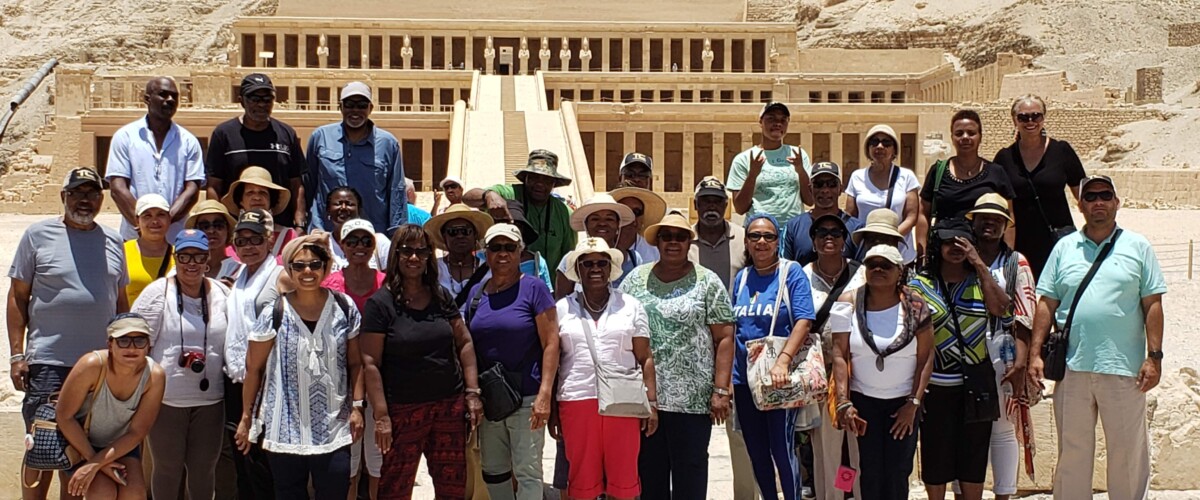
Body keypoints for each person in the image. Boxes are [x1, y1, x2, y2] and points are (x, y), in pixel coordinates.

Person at [1029, 175, 1165, 500]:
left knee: (1128, 455)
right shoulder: (1064, 248)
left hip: (1123, 367)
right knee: (1072, 456)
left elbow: (1152, 304)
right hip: (1072, 367)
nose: (1098, 202)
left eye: (1105, 195)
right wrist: (1035, 354)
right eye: (1090, 197)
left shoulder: (1138, 247)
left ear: (1117, 203)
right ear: (1081, 205)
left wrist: (1154, 357)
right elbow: (1046, 303)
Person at [9, 167, 130, 500]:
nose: (85, 200)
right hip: (49, 364)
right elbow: (17, 298)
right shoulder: (36, 235)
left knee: (77, 454)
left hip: (99, 368)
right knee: (42, 448)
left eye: (92, 193)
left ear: (101, 199)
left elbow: (120, 302)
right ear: (63, 196)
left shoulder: (113, 241)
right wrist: (17, 354)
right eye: (77, 193)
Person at [236, 234, 364, 500]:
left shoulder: (344, 307)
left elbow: (355, 363)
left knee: (336, 491)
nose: (308, 271)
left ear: (326, 268)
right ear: (290, 269)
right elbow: (254, 369)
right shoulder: (274, 312)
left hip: (334, 426)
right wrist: (246, 418)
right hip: (284, 427)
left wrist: (357, 406)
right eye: (299, 265)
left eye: (315, 264)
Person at [361, 224, 484, 499]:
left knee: (452, 488)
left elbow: (464, 343)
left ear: (429, 256)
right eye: (407, 251)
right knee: (395, 488)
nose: (414, 257)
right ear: (396, 254)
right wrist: (382, 416)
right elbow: (370, 362)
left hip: (448, 406)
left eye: (421, 251)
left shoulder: (440, 295)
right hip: (402, 410)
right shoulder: (380, 304)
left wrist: (472, 392)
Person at [619, 212, 735, 499]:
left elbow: (724, 337)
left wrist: (721, 390)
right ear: (657, 241)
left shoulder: (708, 281)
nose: (673, 242)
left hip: (693, 400)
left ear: (689, 242)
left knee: (690, 473)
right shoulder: (635, 279)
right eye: (667, 236)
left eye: (680, 237)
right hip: (646, 398)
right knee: (650, 474)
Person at [909, 217, 1011, 500]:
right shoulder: (920, 285)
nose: (955, 247)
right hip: (936, 385)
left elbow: (1002, 309)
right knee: (935, 458)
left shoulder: (981, 280)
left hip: (976, 384)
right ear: (937, 244)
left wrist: (979, 264)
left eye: (962, 242)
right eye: (948, 241)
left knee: (973, 460)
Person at [553, 237, 658, 500]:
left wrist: (652, 403)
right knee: (582, 481)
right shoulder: (562, 309)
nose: (595, 269)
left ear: (610, 268)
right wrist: (552, 409)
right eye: (587, 264)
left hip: (624, 402)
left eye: (601, 263)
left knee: (623, 480)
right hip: (576, 400)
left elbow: (645, 357)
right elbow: (554, 361)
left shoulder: (631, 306)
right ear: (577, 270)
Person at [829, 245, 933, 500]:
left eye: (885, 265)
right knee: (870, 472)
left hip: (903, 403)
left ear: (900, 272)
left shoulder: (917, 306)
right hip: (863, 402)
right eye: (872, 264)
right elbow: (839, 353)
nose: (878, 269)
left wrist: (913, 403)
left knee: (897, 472)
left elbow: (926, 357)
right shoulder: (847, 302)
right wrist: (843, 401)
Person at [951, 193, 1038, 500]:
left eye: (997, 219)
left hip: (1003, 354)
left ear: (1005, 225)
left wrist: (1020, 365)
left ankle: (1004, 494)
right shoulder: (958, 259)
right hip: (964, 353)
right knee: (964, 429)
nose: (989, 223)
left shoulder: (1016, 263)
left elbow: (1024, 316)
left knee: (1002, 430)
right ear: (973, 221)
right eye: (983, 218)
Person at [464, 223, 560, 500]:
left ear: (520, 252)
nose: (503, 253)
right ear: (486, 253)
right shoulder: (477, 293)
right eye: (496, 248)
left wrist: (545, 394)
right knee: (493, 470)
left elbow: (551, 343)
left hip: (527, 396)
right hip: (491, 398)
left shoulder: (534, 289)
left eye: (509, 247)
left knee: (527, 471)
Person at [132, 230, 228, 499]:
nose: (191, 263)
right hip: (166, 400)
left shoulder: (221, 292)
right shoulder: (157, 293)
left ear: (207, 259)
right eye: (185, 256)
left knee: (204, 471)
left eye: (199, 256)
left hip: (211, 400)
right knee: (167, 470)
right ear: (176, 258)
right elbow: (137, 343)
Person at [730, 213, 815, 500]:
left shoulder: (791, 272)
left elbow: (804, 320)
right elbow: (735, 327)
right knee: (756, 450)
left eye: (769, 236)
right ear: (746, 241)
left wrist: (783, 361)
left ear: (778, 241)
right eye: (755, 236)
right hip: (745, 379)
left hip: (778, 376)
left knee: (781, 447)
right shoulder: (742, 278)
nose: (762, 241)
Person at [685, 176, 757, 500]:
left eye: (717, 200)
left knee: (740, 433)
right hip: (694, 348)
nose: (711, 207)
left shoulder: (744, 238)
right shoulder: (683, 239)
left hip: (737, 346)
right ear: (696, 205)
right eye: (705, 201)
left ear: (726, 205)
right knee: (691, 435)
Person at [55, 313, 166, 499]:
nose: (132, 348)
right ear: (110, 344)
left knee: (134, 493)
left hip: (120, 445)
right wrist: (94, 462)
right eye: (123, 341)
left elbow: (137, 432)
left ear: (148, 345)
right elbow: (64, 416)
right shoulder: (92, 365)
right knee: (102, 492)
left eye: (139, 341)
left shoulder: (154, 376)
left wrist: (98, 463)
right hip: (79, 443)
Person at [218, 208, 284, 500]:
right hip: (236, 379)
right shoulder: (238, 274)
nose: (248, 246)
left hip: (267, 382)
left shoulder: (281, 275)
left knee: (262, 461)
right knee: (242, 459)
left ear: (269, 240)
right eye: (241, 241)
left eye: (255, 239)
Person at [804, 214, 866, 500]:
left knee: (855, 445)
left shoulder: (861, 273)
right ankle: (832, 495)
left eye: (836, 233)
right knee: (828, 447)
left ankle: (855, 493)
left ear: (844, 240)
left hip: (858, 372)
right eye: (822, 233)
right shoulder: (802, 275)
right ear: (813, 241)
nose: (829, 237)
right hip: (821, 373)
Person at [993, 95, 1088, 278]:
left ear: (1043, 118)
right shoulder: (1005, 158)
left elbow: (1084, 198)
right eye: (1023, 117)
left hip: (1060, 242)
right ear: (1014, 120)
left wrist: (1095, 237)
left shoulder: (1062, 151)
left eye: (1036, 116)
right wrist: (1006, 254)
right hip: (1021, 245)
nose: (1030, 121)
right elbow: (1004, 210)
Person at [106, 76, 204, 241]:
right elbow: (118, 188)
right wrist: (142, 223)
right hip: (134, 237)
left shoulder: (188, 141)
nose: (170, 99)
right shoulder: (125, 137)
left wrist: (164, 222)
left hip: (175, 239)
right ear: (147, 99)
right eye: (163, 94)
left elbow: (192, 190)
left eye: (174, 96)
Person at [206, 73, 308, 229]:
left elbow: (296, 184)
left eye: (267, 99)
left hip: (280, 226)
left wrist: (300, 224)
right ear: (241, 101)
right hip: (237, 227)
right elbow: (214, 185)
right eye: (254, 99)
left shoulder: (286, 134)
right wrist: (218, 223)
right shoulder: (224, 134)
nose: (261, 105)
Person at [306, 82, 406, 237]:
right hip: (326, 233)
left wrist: (396, 234)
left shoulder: (388, 143)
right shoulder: (321, 137)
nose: (355, 110)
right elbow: (309, 185)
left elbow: (396, 191)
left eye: (361, 105)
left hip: (370, 236)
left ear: (370, 108)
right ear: (341, 107)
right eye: (350, 105)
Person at [464, 149, 576, 272]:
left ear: (554, 183)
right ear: (525, 177)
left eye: (547, 179)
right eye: (534, 177)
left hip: (546, 281)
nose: (540, 184)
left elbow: (568, 258)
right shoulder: (509, 194)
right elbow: (467, 198)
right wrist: (488, 195)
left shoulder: (565, 213)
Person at [920, 109, 1016, 250]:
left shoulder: (996, 173)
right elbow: (923, 213)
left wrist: (1008, 255)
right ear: (952, 137)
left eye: (971, 133)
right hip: (946, 253)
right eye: (959, 133)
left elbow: (1009, 217)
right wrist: (922, 252)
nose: (965, 137)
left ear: (980, 137)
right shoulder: (938, 171)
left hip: (985, 253)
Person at [845, 124, 920, 264]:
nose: (880, 146)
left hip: (899, 253)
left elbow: (911, 217)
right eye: (874, 142)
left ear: (894, 149)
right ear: (868, 148)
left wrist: (887, 238)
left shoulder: (906, 176)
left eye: (886, 143)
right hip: (866, 251)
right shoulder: (857, 176)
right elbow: (850, 216)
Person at [727, 102, 814, 223]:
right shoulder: (744, 159)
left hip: (793, 229)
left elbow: (810, 201)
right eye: (771, 119)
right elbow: (740, 208)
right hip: (760, 229)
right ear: (760, 122)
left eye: (783, 120)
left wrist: (800, 171)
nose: (778, 124)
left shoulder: (798, 155)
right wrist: (752, 175)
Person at [554, 193, 636, 297]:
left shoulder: (633, 258)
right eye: (595, 219)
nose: (602, 223)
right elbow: (562, 301)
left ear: (618, 224)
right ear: (586, 224)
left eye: (609, 219)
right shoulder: (570, 260)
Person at [783, 162, 864, 265]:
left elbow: (862, 269)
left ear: (840, 189)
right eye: (818, 184)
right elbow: (785, 268)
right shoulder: (793, 226)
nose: (825, 190)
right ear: (810, 189)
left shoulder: (856, 229)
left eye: (832, 184)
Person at [222, 165, 297, 257]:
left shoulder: (288, 235)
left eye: (263, 193)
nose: (257, 198)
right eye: (250, 193)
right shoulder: (230, 236)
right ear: (240, 200)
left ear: (271, 199)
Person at [427, 203, 494, 300]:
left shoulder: (490, 270)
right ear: (444, 237)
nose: (460, 236)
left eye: (465, 231)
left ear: (475, 234)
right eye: (452, 232)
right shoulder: (433, 269)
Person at [322, 186, 392, 273]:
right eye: (337, 204)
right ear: (328, 210)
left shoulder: (379, 242)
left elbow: (391, 277)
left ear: (359, 210)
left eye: (349, 204)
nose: (343, 207)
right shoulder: (323, 244)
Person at [123, 193, 177, 305]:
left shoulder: (180, 255)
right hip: (131, 316)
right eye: (147, 216)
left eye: (160, 215)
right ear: (137, 221)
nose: (155, 221)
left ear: (169, 219)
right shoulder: (122, 252)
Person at [609, 186, 664, 276]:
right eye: (625, 212)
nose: (631, 218)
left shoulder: (655, 252)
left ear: (642, 219)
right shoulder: (600, 245)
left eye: (636, 212)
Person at [185, 200, 240, 282]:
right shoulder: (184, 269)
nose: (211, 231)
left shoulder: (239, 270)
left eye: (218, 225)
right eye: (204, 226)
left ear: (228, 230)